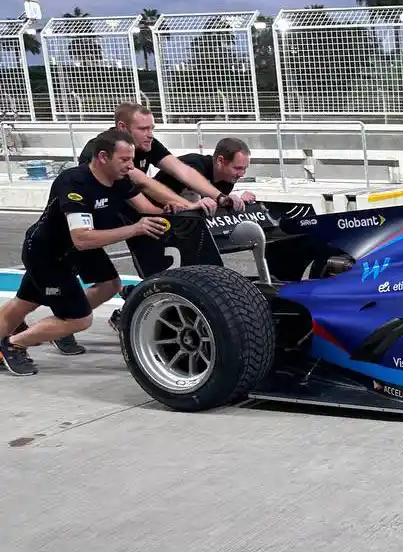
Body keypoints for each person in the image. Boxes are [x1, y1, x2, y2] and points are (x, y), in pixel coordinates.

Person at [0, 130, 170, 375]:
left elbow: (148, 209)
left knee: (108, 284)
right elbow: (82, 238)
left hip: (73, 252)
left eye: (131, 160)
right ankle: (13, 345)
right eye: (124, 160)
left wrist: (184, 206)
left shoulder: (119, 179)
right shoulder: (73, 181)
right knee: (79, 319)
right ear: (102, 157)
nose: (130, 166)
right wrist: (135, 229)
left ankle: (56, 323)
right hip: (47, 253)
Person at [76, 102, 244, 213]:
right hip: (92, 211)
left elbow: (182, 170)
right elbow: (143, 182)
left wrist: (220, 197)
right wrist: (189, 206)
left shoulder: (147, 143)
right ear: (122, 127)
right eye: (143, 129)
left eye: (152, 128)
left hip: (126, 205)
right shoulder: (103, 147)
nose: (150, 134)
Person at [152, 136, 257, 204]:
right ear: (220, 161)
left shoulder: (227, 179)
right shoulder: (194, 165)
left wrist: (238, 201)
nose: (242, 174)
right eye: (237, 168)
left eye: (244, 168)